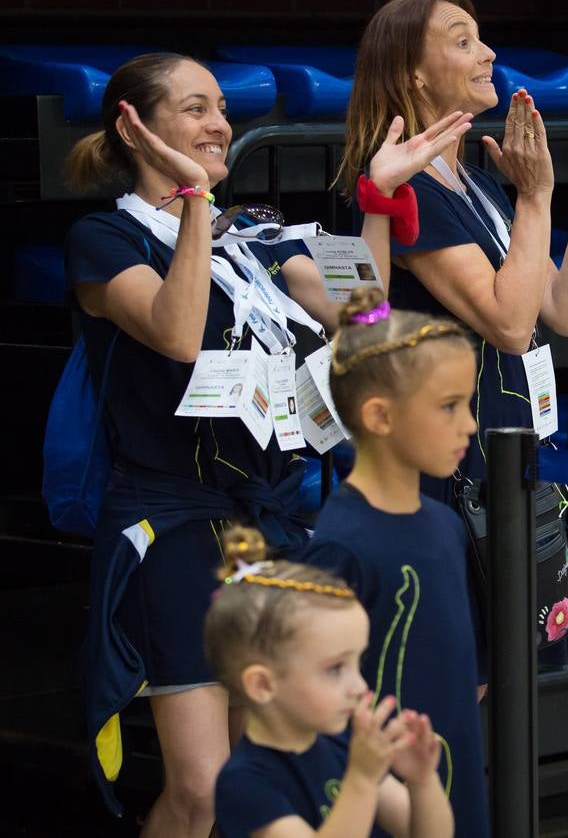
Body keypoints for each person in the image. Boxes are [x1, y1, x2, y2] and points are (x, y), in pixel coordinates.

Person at [63, 51, 472, 836]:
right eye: (193, 108)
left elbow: (369, 318)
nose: (219, 123)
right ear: (134, 125)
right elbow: (179, 335)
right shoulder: (104, 238)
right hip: (171, 527)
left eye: (220, 106)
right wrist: (192, 205)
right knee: (202, 793)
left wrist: (381, 200)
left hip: (266, 528)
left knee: (268, 777)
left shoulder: (256, 232)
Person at [338, 0, 568, 501]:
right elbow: (513, 327)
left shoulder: (477, 182)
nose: (488, 53)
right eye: (463, 42)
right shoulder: (405, 192)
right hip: (452, 471)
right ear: (414, 73)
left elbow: (566, 313)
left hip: (513, 449)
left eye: (482, 39)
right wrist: (536, 195)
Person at [303, 288, 489, 838]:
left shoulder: (447, 527)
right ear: (380, 416)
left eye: (468, 405)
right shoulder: (341, 546)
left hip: (452, 792)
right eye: (448, 407)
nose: (470, 426)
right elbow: (318, 712)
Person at [207, 525, 454, 838]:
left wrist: (422, 781)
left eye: (358, 662)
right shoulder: (246, 784)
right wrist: (362, 780)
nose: (361, 688)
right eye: (336, 668)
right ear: (263, 685)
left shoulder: (344, 744)